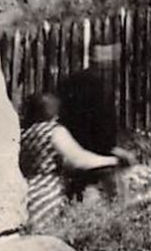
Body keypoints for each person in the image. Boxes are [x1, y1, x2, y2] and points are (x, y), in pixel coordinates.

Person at [18, 91, 130, 230]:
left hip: (25, 192)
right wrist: (113, 161)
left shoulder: (22, 133)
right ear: (55, 114)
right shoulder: (54, 131)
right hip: (48, 193)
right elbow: (78, 160)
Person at [57, 42, 137, 201]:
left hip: (74, 152)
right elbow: (103, 128)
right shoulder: (97, 86)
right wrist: (112, 152)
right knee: (116, 200)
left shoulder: (72, 82)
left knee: (82, 196)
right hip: (97, 157)